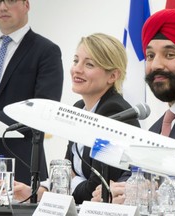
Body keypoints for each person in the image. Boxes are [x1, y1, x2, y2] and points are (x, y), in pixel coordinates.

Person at [92, 8, 175, 204]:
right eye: (150, 56)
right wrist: (115, 191)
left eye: (169, 55)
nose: (155, 65)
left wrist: (135, 193)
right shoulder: (159, 127)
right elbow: (132, 173)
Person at [13, 33, 140, 204]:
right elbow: (64, 173)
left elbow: (96, 191)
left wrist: (70, 181)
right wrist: (36, 192)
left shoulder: (115, 113)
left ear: (113, 76)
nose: (77, 69)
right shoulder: (78, 108)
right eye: (76, 61)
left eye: (89, 64)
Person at [0, 0, 63, 184]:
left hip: (22, 166)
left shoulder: (46, 51)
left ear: (27, 5)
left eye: (10, 0)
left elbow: (45, 109)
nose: (2, 7)